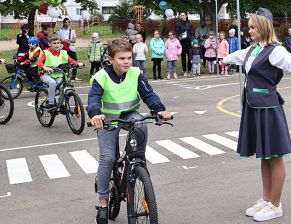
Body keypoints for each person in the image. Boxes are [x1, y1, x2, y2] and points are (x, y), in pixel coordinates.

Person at [223, 8, 291, 222]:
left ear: (263, 27)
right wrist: (224, 58)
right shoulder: (253, 49)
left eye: (253, 27)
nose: (249, 31)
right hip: (254, 107)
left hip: (268, 109)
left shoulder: (275, 51)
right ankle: (266, 199)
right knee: (264, 156)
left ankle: (276, 204)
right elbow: (239, 56)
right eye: (249, 27)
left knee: (275, 156)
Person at [87, 39, 172, 224]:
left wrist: (159, 109)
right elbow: (93, 99)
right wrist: (95, 114)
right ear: (110, 60)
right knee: (108, 158)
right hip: (107, 119)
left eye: (129, 58)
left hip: (130, 115)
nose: (126, 61)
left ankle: (141, 180)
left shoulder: (136, 73)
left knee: (140, 137)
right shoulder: (101, 77)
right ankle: (102, 203)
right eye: (121, 58)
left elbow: (148, 94)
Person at [36, 34, 82, 111]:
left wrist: (77, 64)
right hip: (46, 75)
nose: (57, 45)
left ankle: (61, 104)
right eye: (54, 43)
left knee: (63, 87)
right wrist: (45, 67)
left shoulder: (63, 53)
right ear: (49, 44)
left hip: (58, 76)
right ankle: (51, 103)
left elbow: (70, 60)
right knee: (52, 83)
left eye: (58, 43)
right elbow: (39, 62)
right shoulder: (46, 53)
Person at [176, 11, 192, 76]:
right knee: (183, 57)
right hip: (182, 42)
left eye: (183, 15)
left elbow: (191, 33)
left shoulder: (189, 24)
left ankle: (189, 70)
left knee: (190, 56)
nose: (182, 16)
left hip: (189, 42)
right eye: (181, 15)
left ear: (186, 16)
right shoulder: (178, 24)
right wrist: (180, 37)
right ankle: (185, 71)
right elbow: (177, 34)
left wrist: (192, 40)